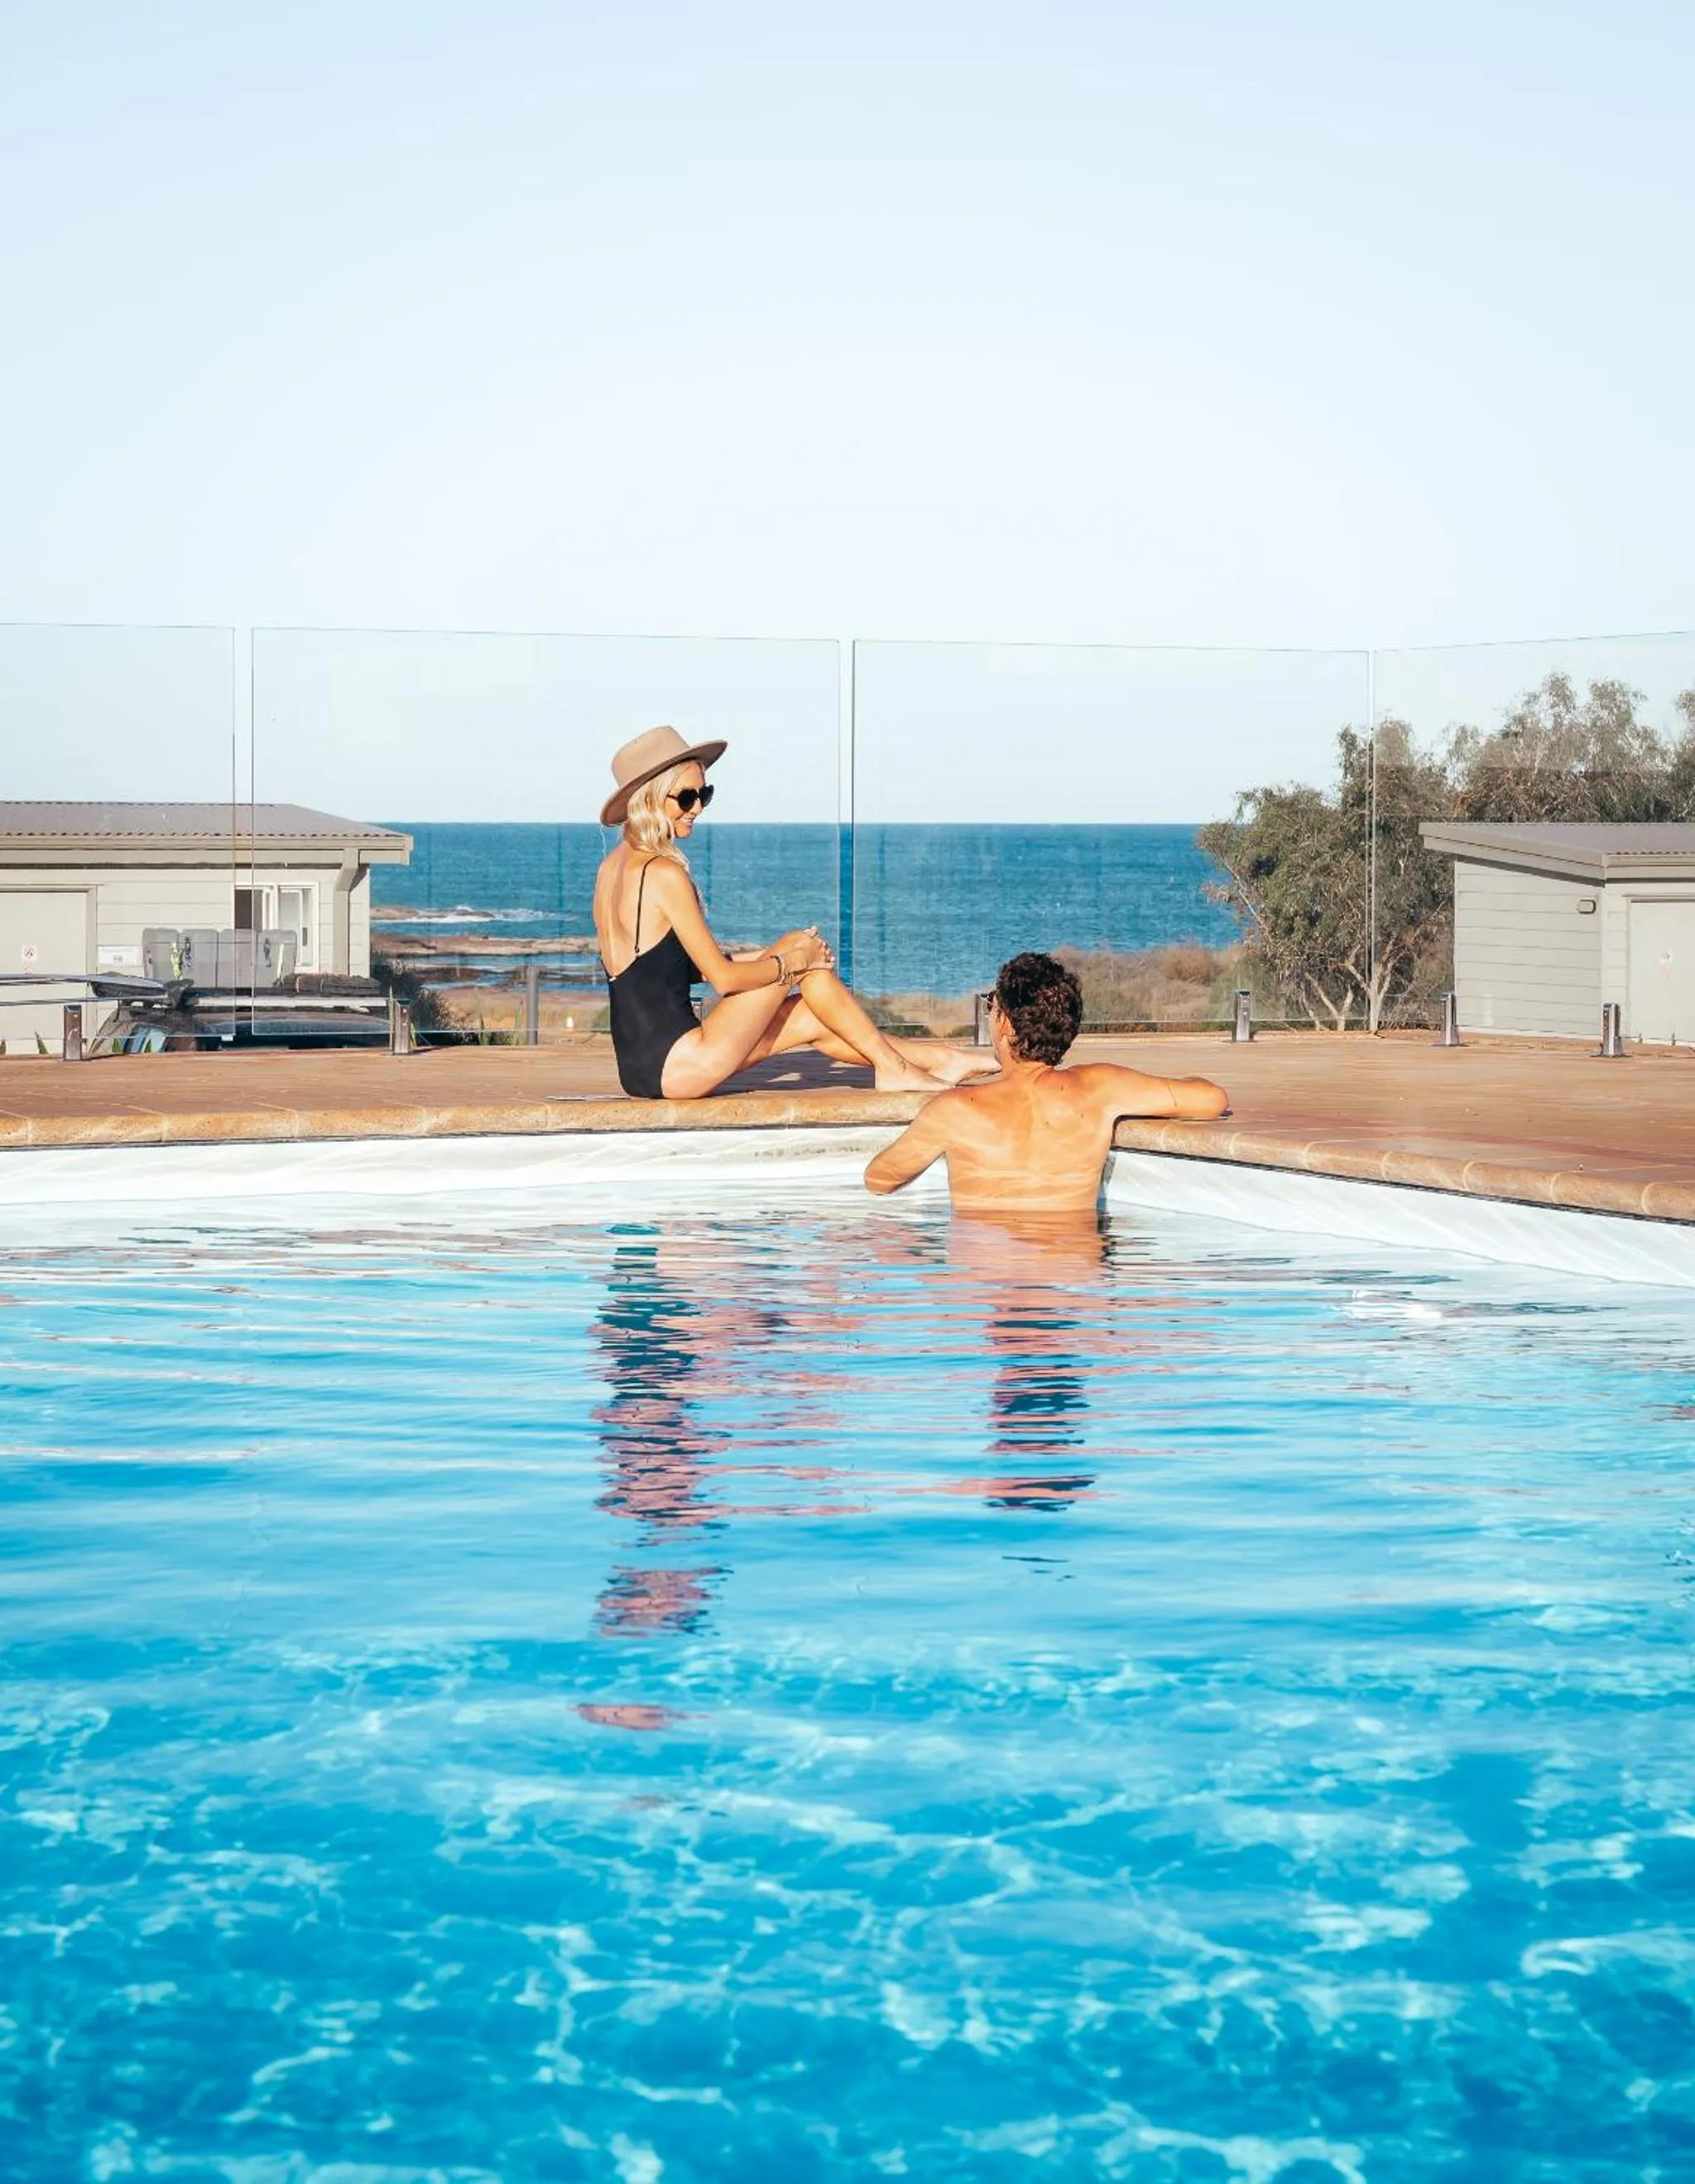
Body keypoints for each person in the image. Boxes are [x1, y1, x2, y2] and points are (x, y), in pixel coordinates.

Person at [593, 726, 990, 1100]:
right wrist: (794, 963)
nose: (697, 807)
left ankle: (948, 1061)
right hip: (681, 1064)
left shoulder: (612, 870)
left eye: (705, 794)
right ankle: (892, 1067)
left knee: (813, 1015)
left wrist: (786, 956)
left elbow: (666, 971)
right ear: (649, 799)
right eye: (685, 798)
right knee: (803, 956)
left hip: (640, 1069)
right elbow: (724, 981)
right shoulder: (663, 873)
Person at [864, 949, 1228, 1215]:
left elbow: (879, 1180)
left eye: (992, 1005)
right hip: (1074, 1288)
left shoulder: (955, 1111)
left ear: (1005, 1023)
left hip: (985, 1289)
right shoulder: (1101, 1087)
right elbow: (1211, 1099)